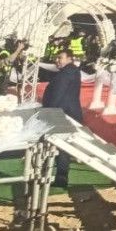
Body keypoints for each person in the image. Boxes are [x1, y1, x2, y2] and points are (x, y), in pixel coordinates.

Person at [41, 49, 83, 187]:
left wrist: (48, 111)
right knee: (62, 146)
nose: (57, 60)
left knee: (62, 146)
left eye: (60, 58)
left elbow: (57, 94)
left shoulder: (67, 72)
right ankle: (58, 175)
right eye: (56, 58)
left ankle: (60, 176)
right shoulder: (69, 71)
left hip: (64, 113)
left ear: (69, 58)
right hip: (64, 112)